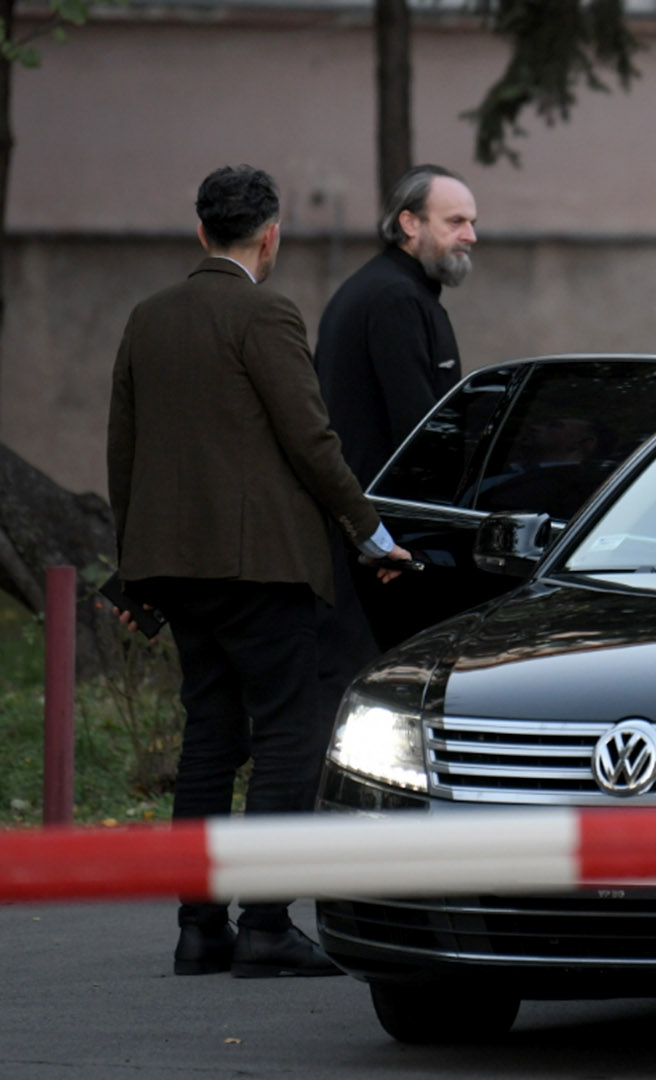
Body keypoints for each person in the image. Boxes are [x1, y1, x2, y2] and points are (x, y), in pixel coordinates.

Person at [106, 164, 414, 978]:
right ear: (270, 235)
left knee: (209, 737)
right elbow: (312, 440)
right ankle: (267, 924)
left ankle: (199, 927)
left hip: (178, 570)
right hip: (263, 568)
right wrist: (370, 533)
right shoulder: (267, 313)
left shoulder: (147, 317)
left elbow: (124, 449)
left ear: (201, 231)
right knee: (288, 734)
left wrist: (136, 569)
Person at [311, 164, 478, 706]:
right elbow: (420, 436)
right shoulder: (397, 300)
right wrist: (408, 544)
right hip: (378, 552)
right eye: (455, 221)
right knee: (379, 700)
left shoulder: (382, 291)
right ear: (409, 223)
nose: (470, 235)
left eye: (472, 222)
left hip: (361, 538)